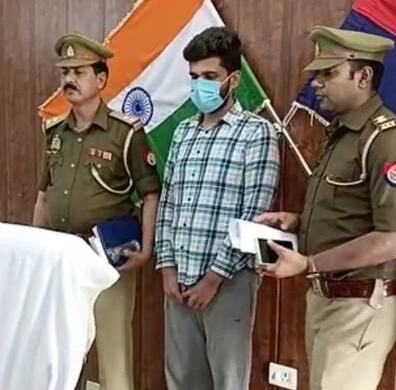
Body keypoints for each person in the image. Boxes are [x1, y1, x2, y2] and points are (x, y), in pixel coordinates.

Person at [256, 25, 396, 390]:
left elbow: (395, 240)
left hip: (360, 301)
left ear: (363, 77)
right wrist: (298, 222)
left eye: (329, 73)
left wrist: (309, 263)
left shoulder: (388, 140)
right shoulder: (343, 134)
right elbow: (349, 212)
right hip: (330, 296)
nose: (316, 83)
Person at [32, 33, 161, 390]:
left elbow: (151, 194)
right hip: (61, 260)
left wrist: (145, 251)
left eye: (79, 72)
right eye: (65, 72)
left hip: (106, 259)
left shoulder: (125, 133)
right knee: (62, 355)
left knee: (113, 356)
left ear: (101, 79)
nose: (69, 79)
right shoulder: (54, 133)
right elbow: (43, 196)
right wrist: (36, 249)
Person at [154, 26, 280, 390]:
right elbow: (168, 203)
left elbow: (254, 215)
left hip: (228, 282)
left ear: (233, 80)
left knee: (227, 381)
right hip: (179, 279)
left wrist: (213, 279)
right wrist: (167, 267)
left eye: (210, 77)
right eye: (194, 77)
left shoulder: (256, 132)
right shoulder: (183, 132)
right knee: (182, 379)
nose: (200, 86)